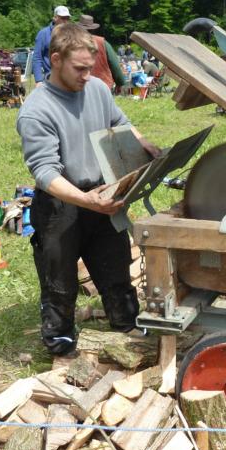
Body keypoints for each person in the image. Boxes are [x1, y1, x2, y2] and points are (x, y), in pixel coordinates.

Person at [16, 23, 160, 355]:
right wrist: (85, 201)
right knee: (60, 286)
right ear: (55, 60)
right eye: (79, 68)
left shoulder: (96, 88)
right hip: (60, 205)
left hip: (101, 194)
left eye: (89, 68)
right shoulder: (37, 110)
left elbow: (119, 122)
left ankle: (128, 330)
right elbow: (44, 172)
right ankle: (61, 347)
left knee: (117, 272)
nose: (86, 75)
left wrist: (143, 142)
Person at [75, 14, 126, 91]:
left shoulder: (73, 43)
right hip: (103, 85)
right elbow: (114, 65)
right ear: (93, 29)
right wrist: (120, 83)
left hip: (80, 85)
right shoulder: (102, 43)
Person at [32, 6, 71, 83]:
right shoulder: (43, 34)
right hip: (51, 78)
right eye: (63, 18)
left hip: (69, 77)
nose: (65, 21)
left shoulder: (71, 33)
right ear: (55, 18)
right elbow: (37, 58)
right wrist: (39, 80)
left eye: (67, 18)